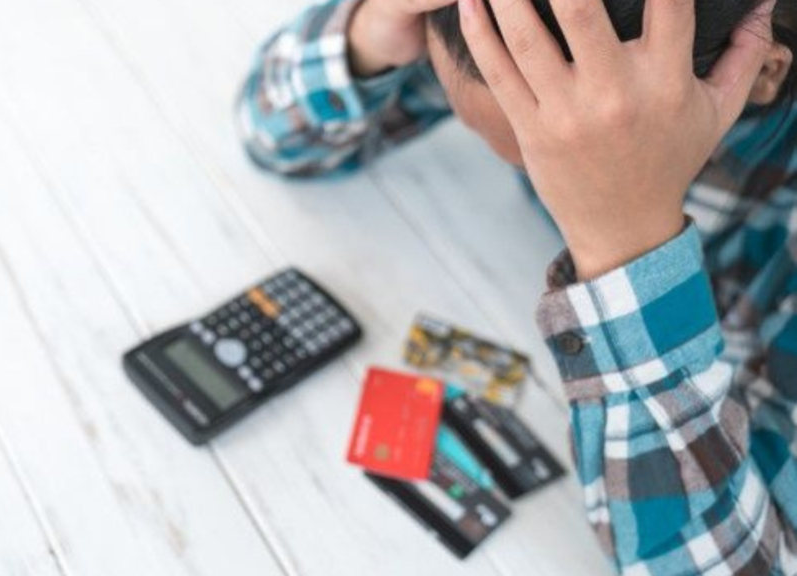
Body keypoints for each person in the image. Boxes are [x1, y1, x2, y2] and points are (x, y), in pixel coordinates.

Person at [236, 0, 797, 573]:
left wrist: (627, 246)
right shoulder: (511, 35)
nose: (548, 177)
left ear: (761, 72)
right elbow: (272, 136)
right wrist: (369, 37)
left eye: (565, 157)